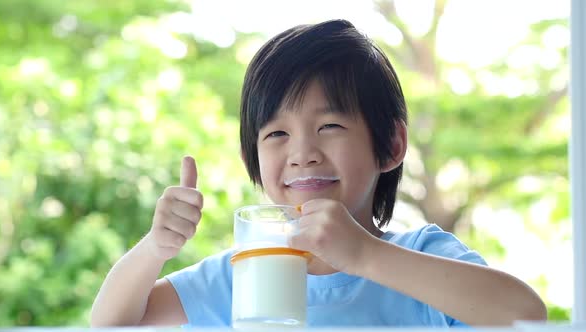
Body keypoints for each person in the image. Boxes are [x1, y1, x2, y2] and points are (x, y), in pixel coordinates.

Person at [90, 19, 547, 328]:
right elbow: (112, 324)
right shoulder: (244, 274)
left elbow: (525, 314)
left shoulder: (421, 256)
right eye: (276, 135)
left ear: (391, 145)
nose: (303, 153)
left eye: (329, 126)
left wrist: (364, 255)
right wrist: (156, 248)